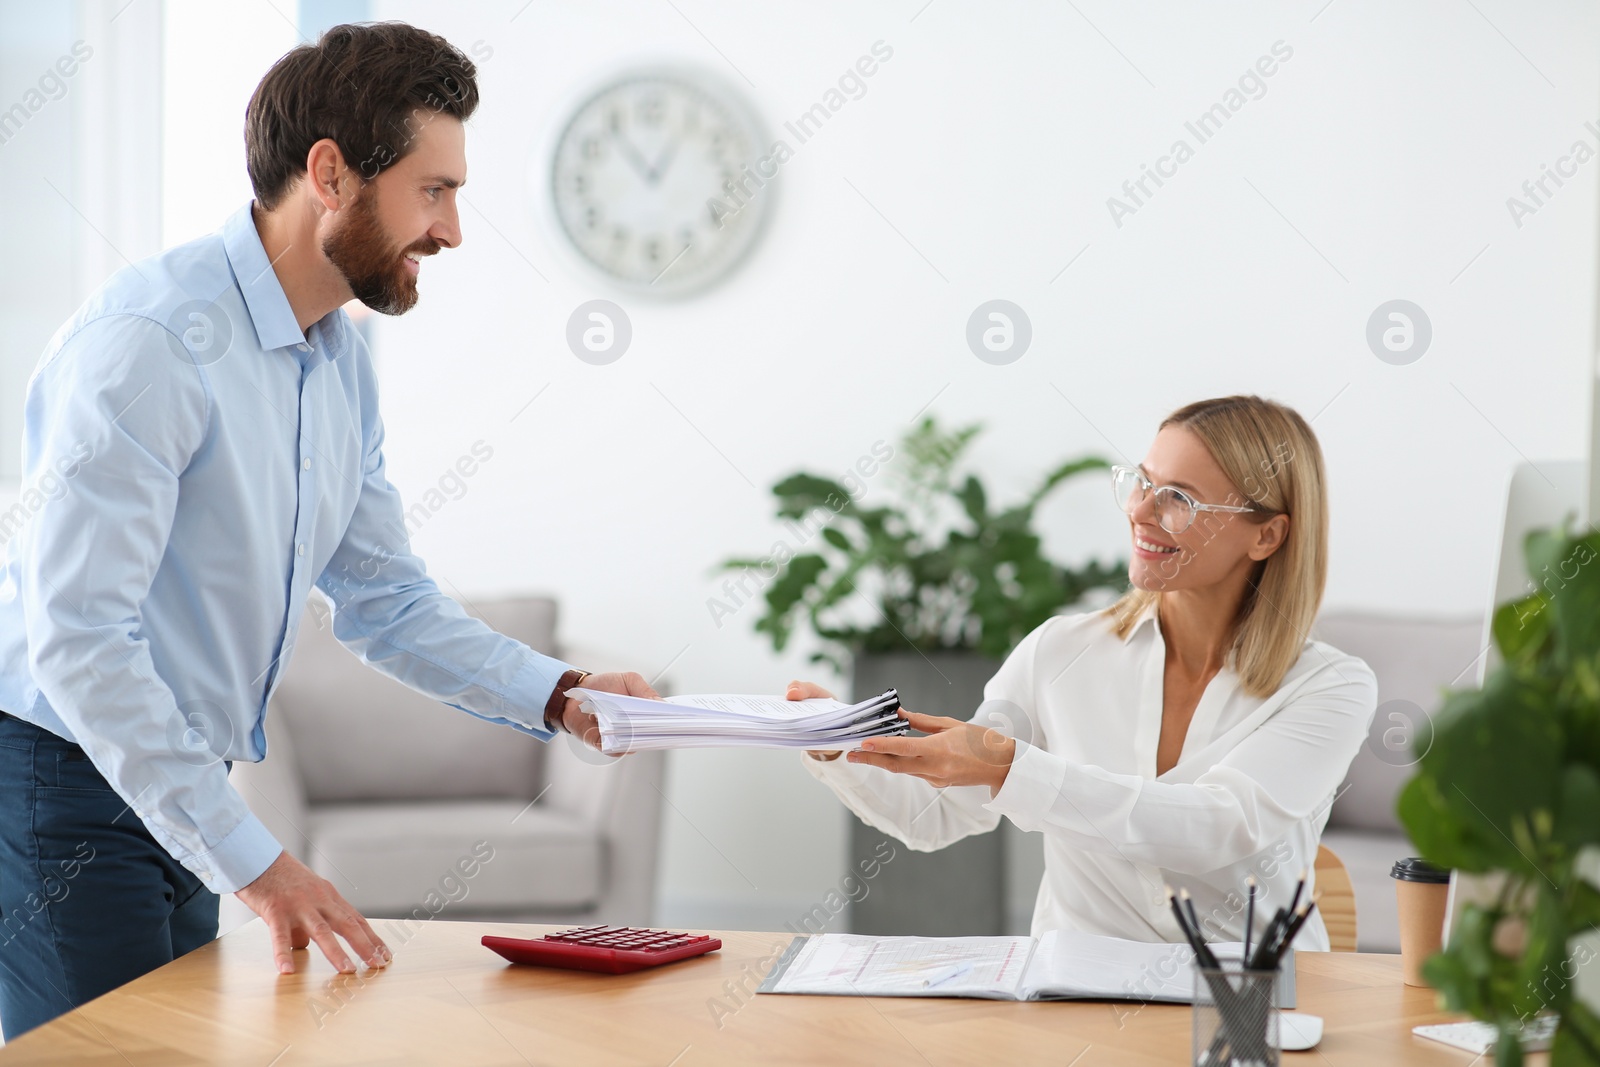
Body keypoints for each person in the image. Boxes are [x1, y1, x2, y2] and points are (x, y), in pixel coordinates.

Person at [0, 22, 656, 1041]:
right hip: (58, 781)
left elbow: (385, 599)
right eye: (433, 191)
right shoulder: (153, 345)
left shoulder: (335, 361)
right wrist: (258, 861)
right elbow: (78, 636)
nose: (450, 231)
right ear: (332, 173)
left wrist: (558, 694)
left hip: (171, 778)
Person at [791, 395, 1377, 951]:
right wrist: (837, 742)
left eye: (1179, 498)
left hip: (1246, 1001)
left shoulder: (1330, 687)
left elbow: (1214, 827)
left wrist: (1012, 769)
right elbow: (939, 813)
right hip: (1077, 998)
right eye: (1142, 482)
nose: (1140, 512)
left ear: (1267, 535)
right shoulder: (1059, 651)